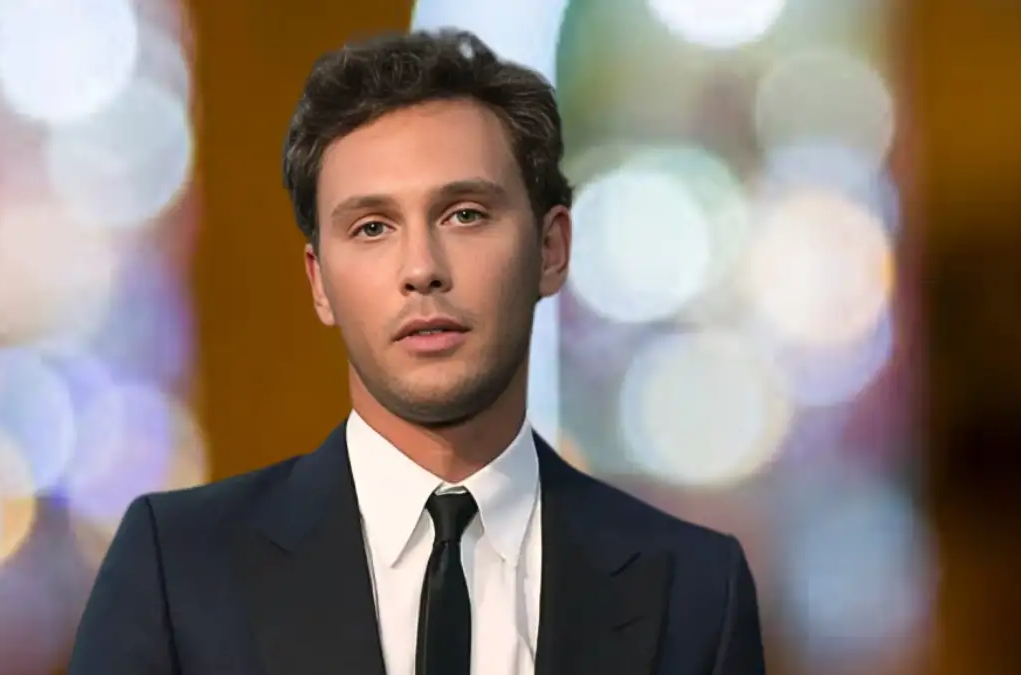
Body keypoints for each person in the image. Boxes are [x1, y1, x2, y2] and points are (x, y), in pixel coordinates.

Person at [69, 28, 765, 675]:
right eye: (372, 227)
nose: (422, 268)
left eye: (465, 214)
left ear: (552, 249)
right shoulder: (176, 570)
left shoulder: (695, 589)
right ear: (319, 283)